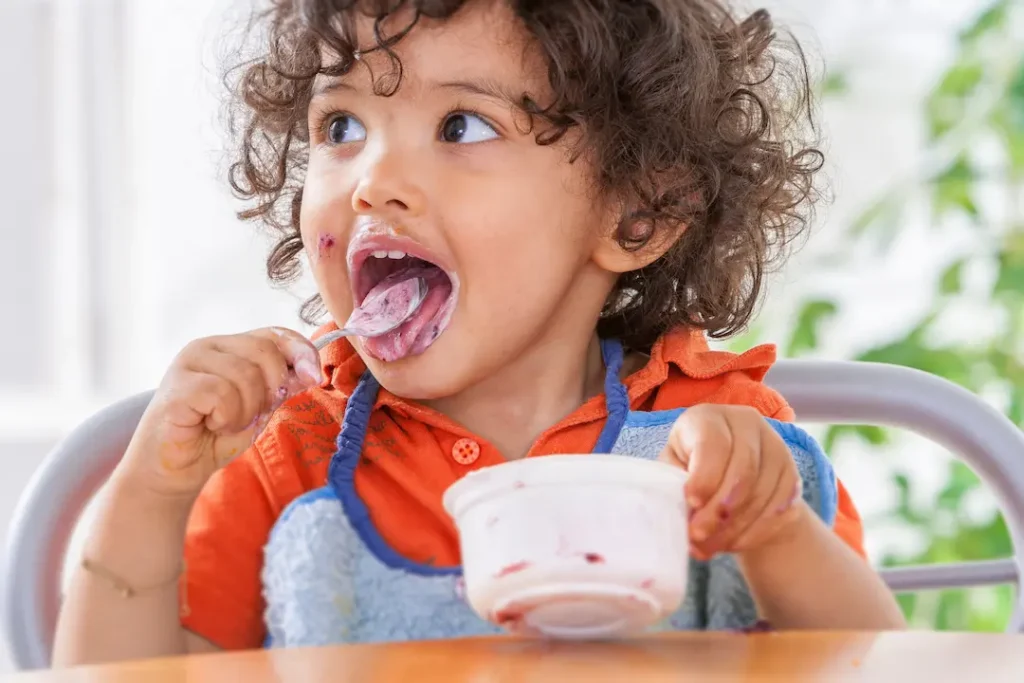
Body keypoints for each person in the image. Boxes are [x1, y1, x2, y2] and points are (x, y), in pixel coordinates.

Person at [53, 0, 905, 666]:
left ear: (637, 209)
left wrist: (774, 530)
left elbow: (876, 661)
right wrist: (148, 499)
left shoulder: (718, 426)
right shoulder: (290, 454)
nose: (374, 183)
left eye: (461, 126)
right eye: (341, 126)